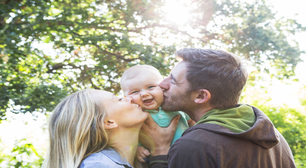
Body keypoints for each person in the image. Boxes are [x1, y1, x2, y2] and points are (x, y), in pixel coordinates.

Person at [141, 48, 296, 168]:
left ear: (201, 96)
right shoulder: (272, 136)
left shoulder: (194, 146)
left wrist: (160, 152)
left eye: (173, 81)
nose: (162, 84)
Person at [42, 89, 180, 168]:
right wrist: (161, 150)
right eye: (119, 99)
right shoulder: (98, 165)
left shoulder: (138, 161)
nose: (130, 98)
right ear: (108, 122)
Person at [120, 65, 195, 162]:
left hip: (187, 156)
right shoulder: (135, 115)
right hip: (159, 160)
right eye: (135, 92)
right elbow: (125, 137)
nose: (144, 94)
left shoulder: (175, 106)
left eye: (151, 87)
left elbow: (193, 123)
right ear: (126, 97)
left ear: (162, 87)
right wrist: (135, 149)